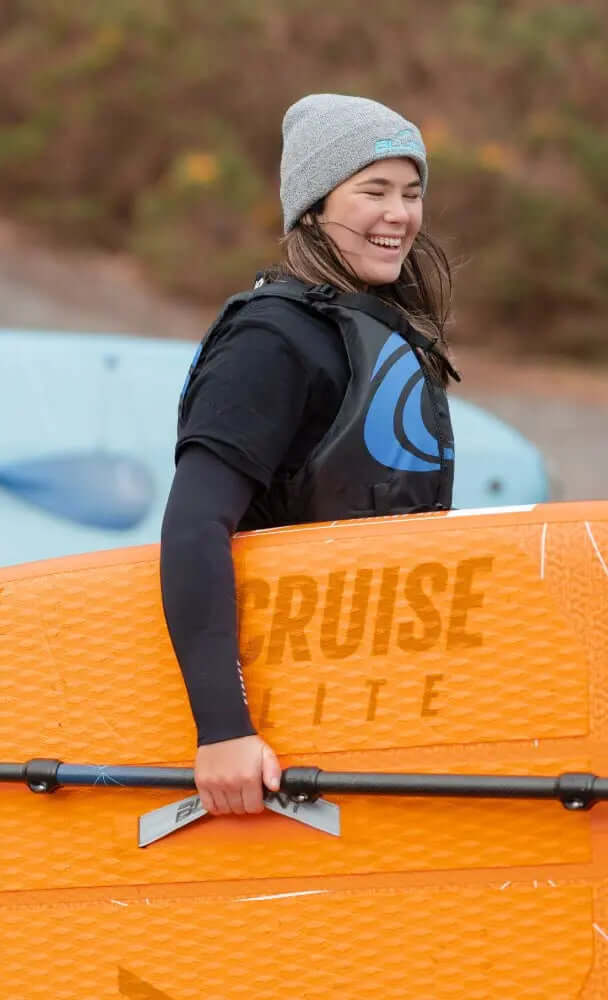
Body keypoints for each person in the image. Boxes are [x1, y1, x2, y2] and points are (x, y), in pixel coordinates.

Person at [160, 94, 460, 817]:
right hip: (282, 707)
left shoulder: (369, 331)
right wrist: (223, 731)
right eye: (374, 191)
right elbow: (194, 525)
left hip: (371, 691)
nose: (399, 215)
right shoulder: (270, 343)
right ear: (314, 206)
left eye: (412, 193)